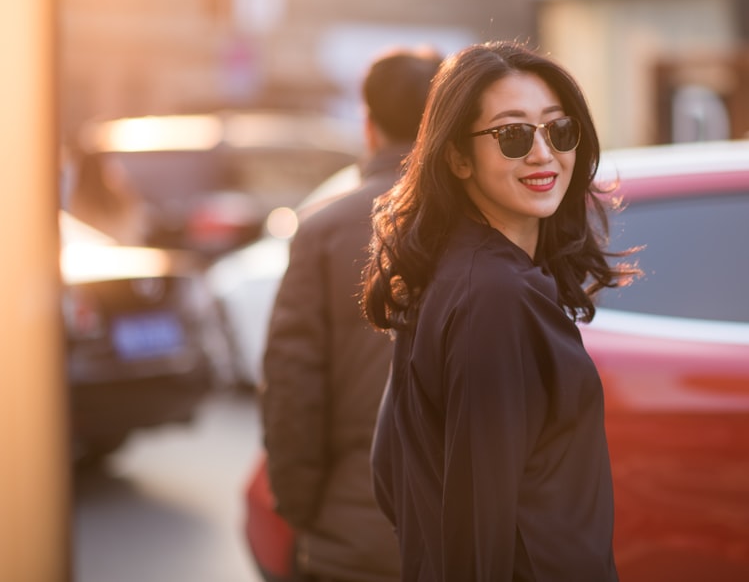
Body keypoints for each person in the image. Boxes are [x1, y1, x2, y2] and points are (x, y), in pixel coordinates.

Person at [361, 40, 638, 581]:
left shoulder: (460, 271)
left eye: (559, 130)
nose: (543, 154)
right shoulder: (495, 296)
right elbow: (475, 515)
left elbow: (388, 468)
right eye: (512, 135)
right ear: (457, 157)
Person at [260, 46, 443, 582]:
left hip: (352, 536)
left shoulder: (323, 230)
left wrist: (302, 512)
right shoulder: (491, 225)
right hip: (466, 536)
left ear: (368, 125)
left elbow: (292, 387)